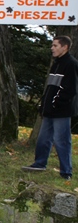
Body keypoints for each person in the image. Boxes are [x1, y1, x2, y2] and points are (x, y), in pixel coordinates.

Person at [22, 36, 78, 181]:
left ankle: (66, 172)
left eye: (55, 45)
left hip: (61, 111)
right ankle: (40, 163)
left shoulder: (71, 64)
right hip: (49, 110)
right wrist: (44, 105)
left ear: (64, 47)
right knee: (43, 138)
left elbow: (69, 90)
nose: (52, 48)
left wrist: (55, 103)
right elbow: (51, 88)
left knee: (62, 140)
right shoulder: (56, 64)